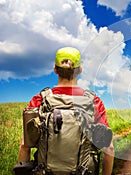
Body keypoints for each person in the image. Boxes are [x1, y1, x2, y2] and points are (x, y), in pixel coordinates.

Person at [17, 47, 114, 175]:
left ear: (55, 69)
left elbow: (25, 145)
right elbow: (109, 148)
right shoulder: (93, 102)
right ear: (79, 70)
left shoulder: (40, 99)